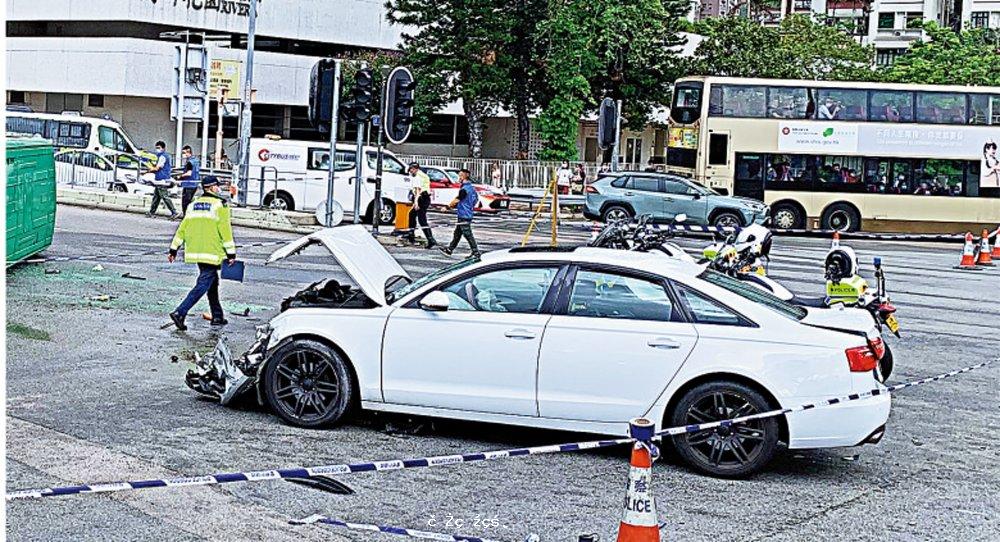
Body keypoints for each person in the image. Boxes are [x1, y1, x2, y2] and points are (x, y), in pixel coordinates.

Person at [167, 176, 237, 330]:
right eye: (217, 186)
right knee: (204, 283)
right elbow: (225, 231)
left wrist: (174, 249)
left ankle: (217, 316)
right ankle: (180, 312)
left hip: (196, 252)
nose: (219, 189)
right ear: (212, 188)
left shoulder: (193, 205)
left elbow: (182, 229)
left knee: (212, 282)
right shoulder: (220, 205)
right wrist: (231, 253)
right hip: (212, 252)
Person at [439, 169, 480, 258]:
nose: (459, 178)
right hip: (467, 212)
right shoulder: (472, 188)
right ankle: (450, 249)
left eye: (460, 176)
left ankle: (475, 252)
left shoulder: (464, 189)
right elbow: (476, 200)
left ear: (464, 177)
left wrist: (447, 207)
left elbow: (457, 199)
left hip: (464, 214)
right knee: (457, 233)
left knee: (467, 234)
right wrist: (469, 206)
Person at [405, 161, 436, 248]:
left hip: (421, 198)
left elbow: (418, 191)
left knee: (422, 220)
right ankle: (411, 234)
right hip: (425, 198)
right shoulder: (423, 175)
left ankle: (430, 240)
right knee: (412, 215)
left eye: (411, 170)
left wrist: (416, 202)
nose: (410, 172)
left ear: (414, 169)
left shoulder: (417, 177)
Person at [147, 141, 178, 219]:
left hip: (162, 179)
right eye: (156, 148)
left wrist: (150, 169)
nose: (157, 149)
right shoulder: (164, 156)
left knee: (164, 196)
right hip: (160, 179)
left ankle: (174, 212)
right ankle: (151, 212)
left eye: (159, 148)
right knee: (156, 197)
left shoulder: (162, 157)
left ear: (163, 148)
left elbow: (158, 168)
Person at [177, 145, 201, 217]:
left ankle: (186, 216)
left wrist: (180, 176)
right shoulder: (196, 160)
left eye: (184, 153)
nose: (183, 155)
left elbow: (189, 173)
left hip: (188, 184)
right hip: (194, 183)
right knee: (189, 201)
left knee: (185, 202)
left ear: (188, 152)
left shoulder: (189, 162)